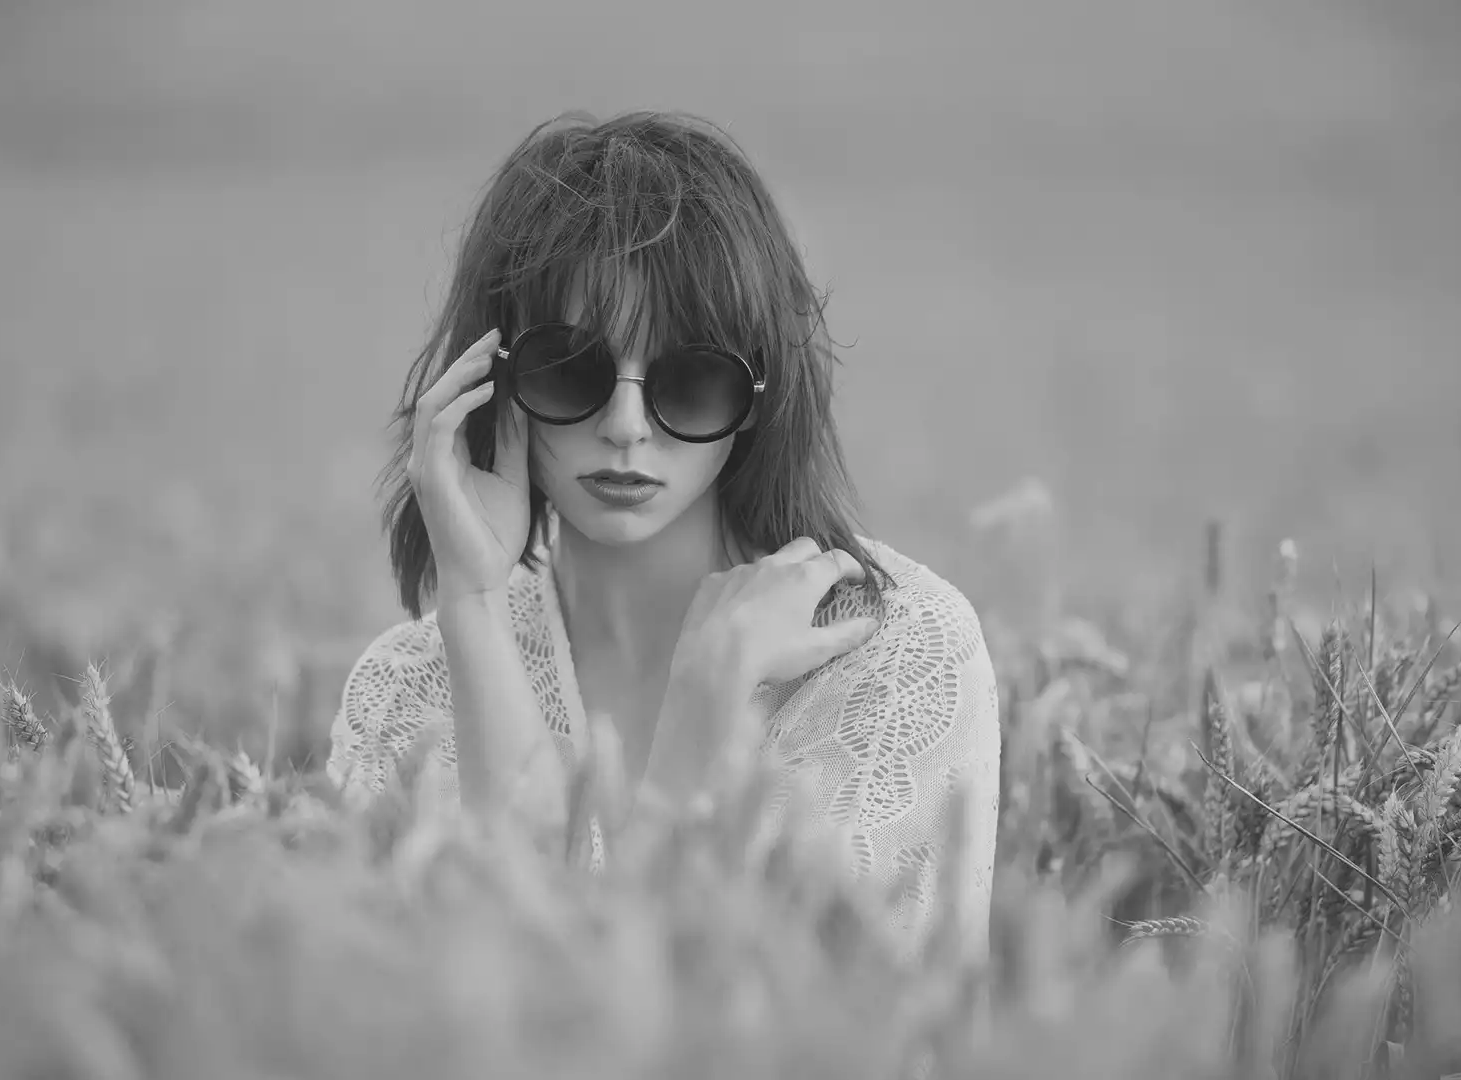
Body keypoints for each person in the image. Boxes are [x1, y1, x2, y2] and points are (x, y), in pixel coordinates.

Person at [326, 109, 1000, 963]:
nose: (625, 425)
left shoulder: (900, 656)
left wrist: (705, 700)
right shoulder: (402, 690)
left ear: (760, 396)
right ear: (494, 382)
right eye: (572, 368)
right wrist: (473, 605)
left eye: (692, 381)